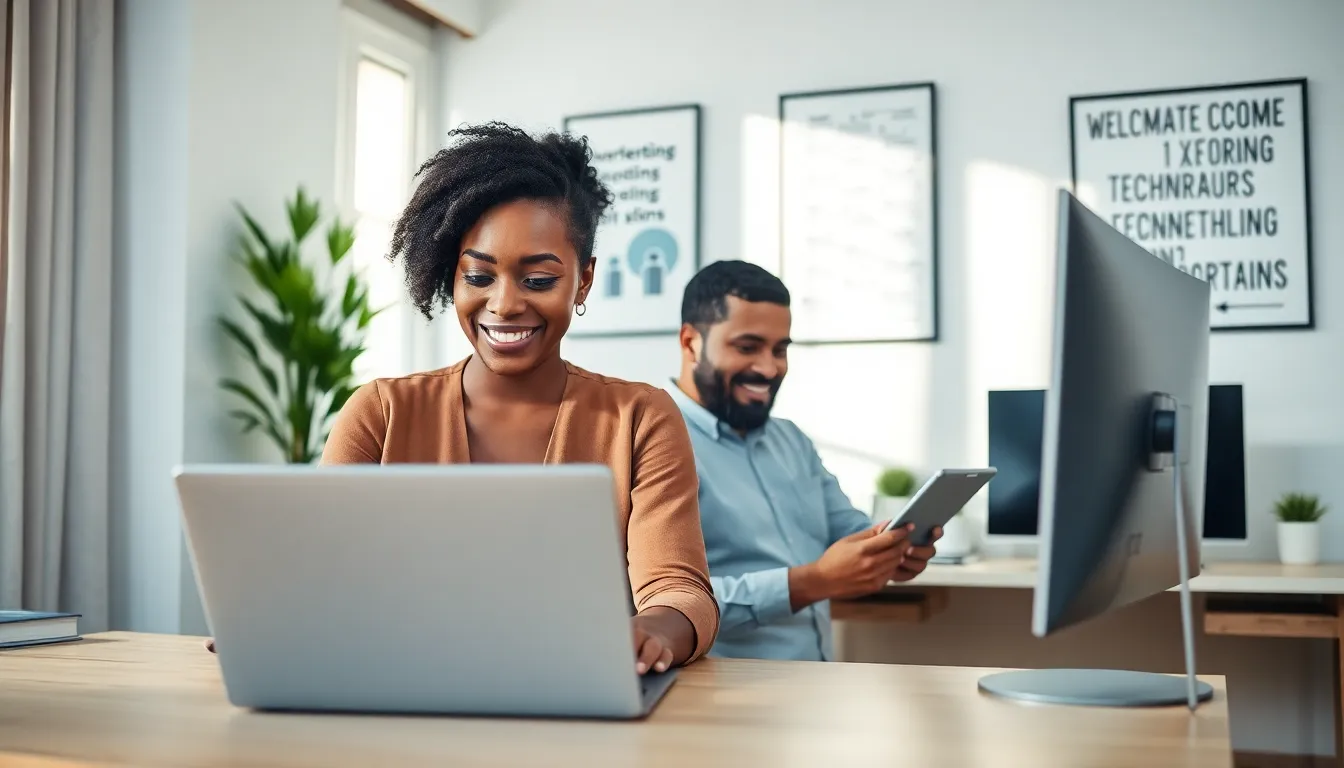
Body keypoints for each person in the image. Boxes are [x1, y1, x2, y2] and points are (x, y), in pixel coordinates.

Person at [208, 123, 720, 674]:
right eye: (478, 275)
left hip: (578, 694)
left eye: (539, 280)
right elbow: (319, 574)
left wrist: (653, 630)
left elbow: (678, 588)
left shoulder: (639, 418)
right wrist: (270, 616)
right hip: (402, 690)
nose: (503, 304)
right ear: (450, 277)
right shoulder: (380, 413)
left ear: (585, 281)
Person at [667, 260, 938, 661]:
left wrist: (891, 547)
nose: (769, 367)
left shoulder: (791, 439)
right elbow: (661, 608)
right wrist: (808, 583)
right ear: (691, 342)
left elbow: (848, 528)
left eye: (780, 350)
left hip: (815, 686)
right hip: (724, 699)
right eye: (747, 347)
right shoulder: (653, 441)